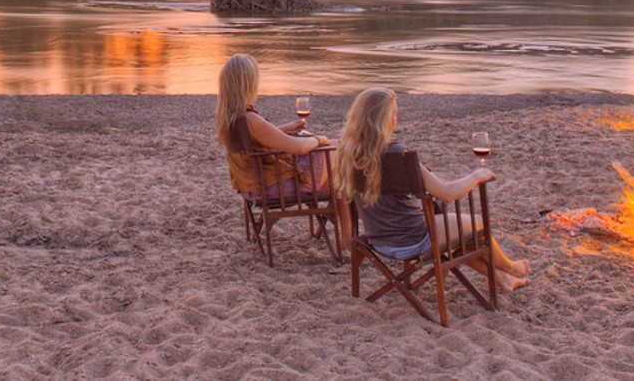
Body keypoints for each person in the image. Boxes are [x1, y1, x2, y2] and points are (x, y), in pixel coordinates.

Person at [333, 87, 530, 293]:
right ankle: (511, 267)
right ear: (385, 119)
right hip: (414, 239)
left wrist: (347, 234)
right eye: (394, 114)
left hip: (378, 241)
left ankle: (502, 278)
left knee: (462, 234)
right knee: (478, 224)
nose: (396, 119)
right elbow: (446, 194)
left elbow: (343, 195)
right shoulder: (397, 154)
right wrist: (476, 176)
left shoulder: (346, 154)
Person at [216, 53, 331, 200]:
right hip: (272, 186)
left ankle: (343, 209)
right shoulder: (249, 119)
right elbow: (298, 147)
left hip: (251, 186)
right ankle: (349, 209)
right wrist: (320, 139)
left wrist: (285, 128)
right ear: (249, 84)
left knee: (339, 178)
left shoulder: (230, 116)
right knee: (338, 151)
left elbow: (255, 139)